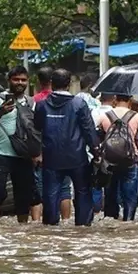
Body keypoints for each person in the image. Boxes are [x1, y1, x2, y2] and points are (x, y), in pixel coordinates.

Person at [34, 69, 101, 226]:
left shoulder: (41, 106)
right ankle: (82, 227)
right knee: (83, 192)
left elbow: (37, 129)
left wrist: (38, 152)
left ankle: (51, 230)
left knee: (51, 195)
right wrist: (96, 152)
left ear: (52, 83)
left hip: (51, 157)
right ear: (69, 84)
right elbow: (89, 130)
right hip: (77, 157)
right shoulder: (79, 104)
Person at [0, 66, 38, 222]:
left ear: (28, 82)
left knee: (24, 195)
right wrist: (0, 112)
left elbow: (36, 130)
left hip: (23, 154)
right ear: (9, 81)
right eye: (16, 79)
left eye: (23, 80)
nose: (20, 83)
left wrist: (38, 153)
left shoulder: (31, 103)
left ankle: (22, 228)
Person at [97, 94, 138, 222]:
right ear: (129, 101)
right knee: (130, 194)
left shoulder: (104, 116)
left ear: (115, 100)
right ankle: (128, 220)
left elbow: (96, 136)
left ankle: (111, 219)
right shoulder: (137, 117)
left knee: (110, 192)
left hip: (109, 160)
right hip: (129, 159)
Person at [28, 67, 56, 222]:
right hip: (61, 151)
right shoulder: (67, 100)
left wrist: (36, 152)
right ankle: (65, 220)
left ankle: (37, 222)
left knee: (38, 187)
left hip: (40, 151)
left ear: (38, 82)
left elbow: (33, 129)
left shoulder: (34, 101)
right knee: (63, 189)